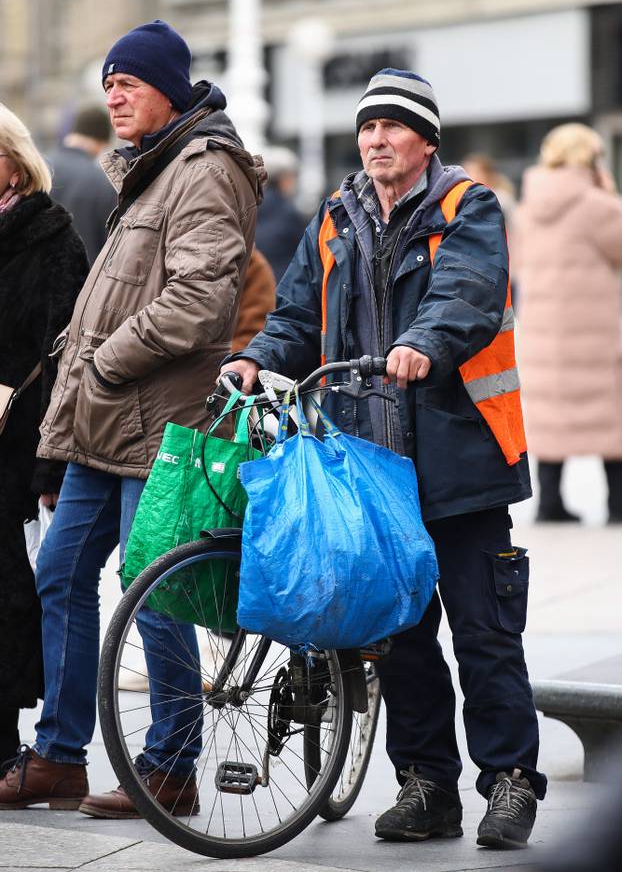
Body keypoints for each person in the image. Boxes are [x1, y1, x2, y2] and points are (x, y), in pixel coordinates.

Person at [221, 68, 546, 849]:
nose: (376, 140)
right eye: (367, 128)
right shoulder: (336, 218)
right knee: (400, 636)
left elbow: (466, 292)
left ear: (425, 138)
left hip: (460, 460)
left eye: (392, 126)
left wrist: (419, 344)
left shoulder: (469, 206)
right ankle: (426, 783)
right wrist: (256, 357)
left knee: (484, 632)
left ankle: (508, 782)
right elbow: (297, 310)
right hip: (367, 463)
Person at [0, 20, 264, 813]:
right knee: (62, 574)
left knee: (152, 589)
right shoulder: (152, 168)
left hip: (157, 417)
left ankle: (173, 765)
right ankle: (59, 753)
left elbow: (200, 298)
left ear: (171, 90)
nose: (115, 95)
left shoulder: (206, 167)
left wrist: (107, 359)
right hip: (103, 421)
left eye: (132, 83)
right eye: (109, 82)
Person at [0, 104, 88, 770]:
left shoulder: (52, 235)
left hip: (16, 433)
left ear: (13, 159)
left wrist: (50, 462)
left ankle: (7, 734)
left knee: (9, 577)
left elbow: (64, 352)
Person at [511, 123, 622, 524]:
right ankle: (617, 504)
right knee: (611, 416)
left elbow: (518, 264)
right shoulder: (597, 204)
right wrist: (607, 191)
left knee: (552, 415)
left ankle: (551, 502)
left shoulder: (529, 207)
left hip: (543, 331)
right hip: (591, 331)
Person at [48, 105, 116, 265]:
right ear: (101, 141)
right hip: (83, 283)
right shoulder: (103, 182)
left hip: (31, 282)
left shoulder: (37, 168)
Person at [254, 144, 306, 282]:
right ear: (284, 179)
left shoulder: (251, 206)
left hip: (254, 286)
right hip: (284, 286)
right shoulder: (288, 213)